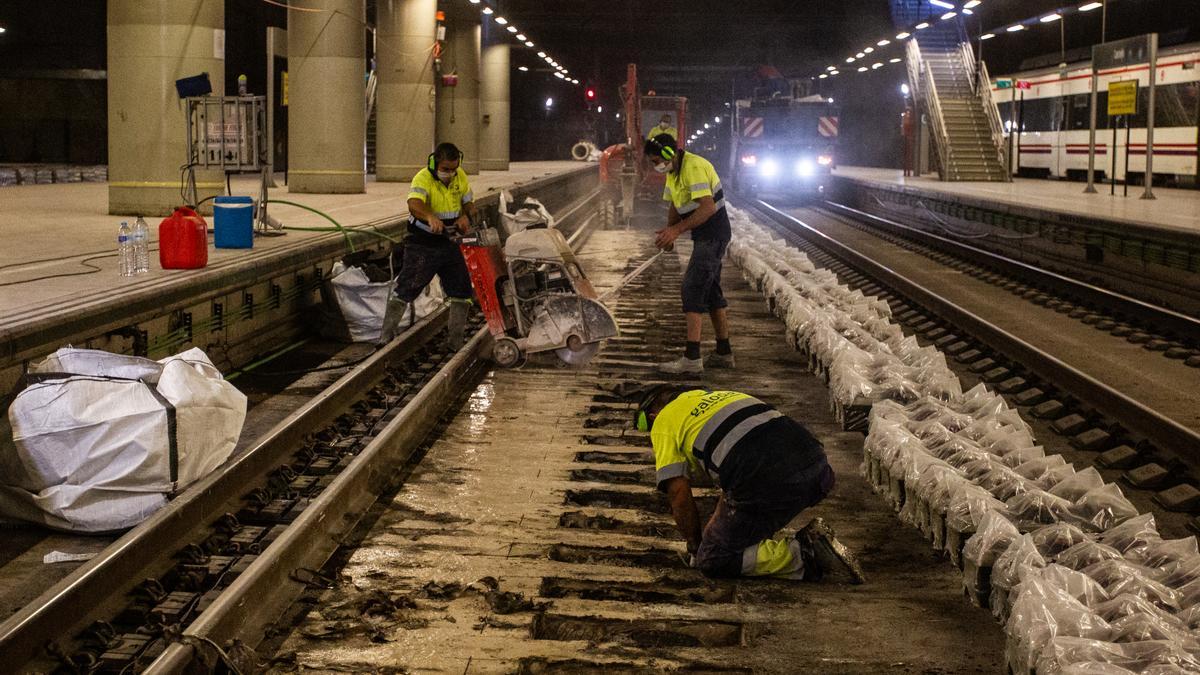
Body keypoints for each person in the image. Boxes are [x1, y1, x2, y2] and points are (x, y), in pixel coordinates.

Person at [634, 385, 865, 582]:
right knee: (742, 500)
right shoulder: (724, 396)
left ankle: (804, 553)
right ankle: (768, 536)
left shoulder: (664, 421)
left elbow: (678, 494)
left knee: (713, 559)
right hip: (818, 471)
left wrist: (696, 545)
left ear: (653, 416)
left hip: (771, 480)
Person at [645, 133, 733, 374]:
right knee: (712, 292)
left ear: (668, 154)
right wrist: (668, 233)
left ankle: (692, 358)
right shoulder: (674, 171)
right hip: (705, 236)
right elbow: (675, 204)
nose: (656, 166)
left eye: (656, 161)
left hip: (713, 234)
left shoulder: (693, 166)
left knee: (692, 289)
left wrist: (676, 230)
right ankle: (724, 353)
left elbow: (707, 207)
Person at [381, 142, 477, 344]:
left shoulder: (460, 176)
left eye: (453, 169)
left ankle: (455, 341)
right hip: (423, 244)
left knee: (462, 291)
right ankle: (385, 338)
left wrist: (466, 216)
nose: (450, 173)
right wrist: (429, 217)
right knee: (407, 288)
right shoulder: (422, 178)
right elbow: (414, 204)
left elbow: (469, 203)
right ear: (434, 163)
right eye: (445, 169)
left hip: (450, 242)